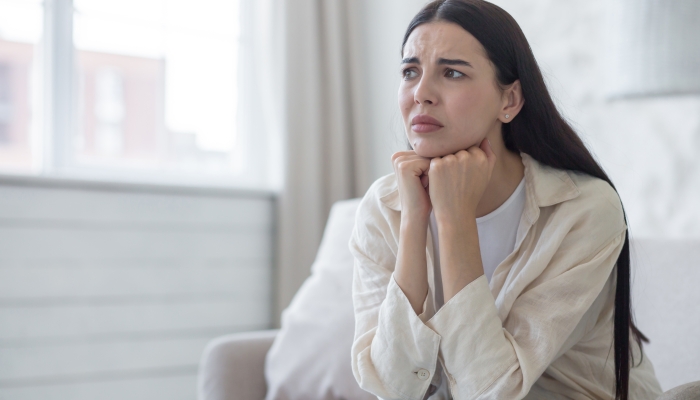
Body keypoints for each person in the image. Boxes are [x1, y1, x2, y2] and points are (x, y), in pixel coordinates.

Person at [348, 1, 664, 399]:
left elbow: (492, 391)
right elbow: (394, 388)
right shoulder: (386, 206)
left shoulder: (582, 210)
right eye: (410, 71)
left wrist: (455, 219)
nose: (421, 93)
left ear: (509, 101)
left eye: (452, 72)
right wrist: (414, 221)